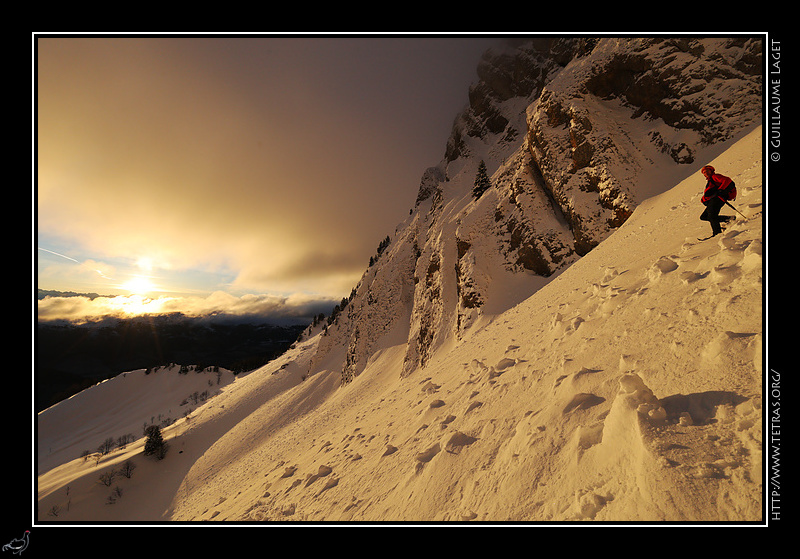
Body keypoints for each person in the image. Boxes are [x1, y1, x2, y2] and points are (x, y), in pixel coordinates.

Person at [699, 165, 735, 236]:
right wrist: (703, 200)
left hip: (718, 198)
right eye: (704, 172)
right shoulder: (710, 181)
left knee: (712, 215)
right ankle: (729, 219)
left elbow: (727, 180)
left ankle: (717, 233)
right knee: (704, 216)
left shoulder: (715, 177)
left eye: (708, 171)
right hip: (715, 199)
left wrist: (721, 190)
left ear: (712, 171)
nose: (706, 173)